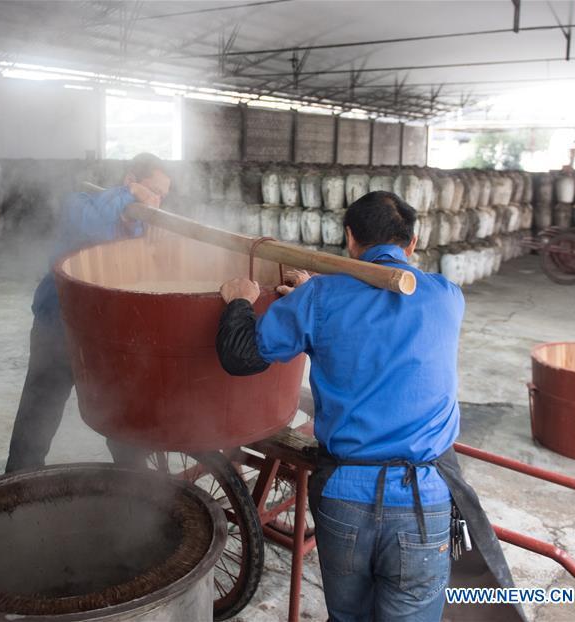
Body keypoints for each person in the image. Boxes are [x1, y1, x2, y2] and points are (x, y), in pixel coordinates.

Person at [216, 191, 520, 622]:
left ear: (349, 238)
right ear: (412, 244)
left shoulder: (320, 297)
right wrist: (315, 298)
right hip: (423, 499)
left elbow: (240, 355)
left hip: (345, 496)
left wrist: (240, 301)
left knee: (348, 617)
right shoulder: (448, 296)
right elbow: (378, 316)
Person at [5, 153, 171, 473]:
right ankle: (16, 486)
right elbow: (95, 230)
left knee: (122, 413)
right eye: (152, 190)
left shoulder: (140, 228)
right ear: (130, 180)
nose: (157, 200)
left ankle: (137, 489)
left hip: (102, 336)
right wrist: (129, 197)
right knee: (39, 413)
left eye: (162, 195)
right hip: (57, 327)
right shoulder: (79, 204)